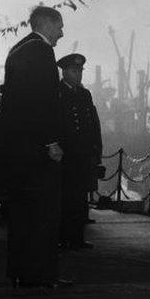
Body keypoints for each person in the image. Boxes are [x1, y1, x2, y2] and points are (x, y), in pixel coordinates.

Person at [0, 6, 70, 289]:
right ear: (47, 24)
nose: (62, 33)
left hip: (17, 149)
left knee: (22, 216)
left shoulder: (19, 49)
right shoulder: (41, 53)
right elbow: (43, 103)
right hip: (36, 150)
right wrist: (52, 142)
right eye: (59, 26)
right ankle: (42, 274)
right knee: (44, 214)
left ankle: (21, 272)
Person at [55, 53, 103, 250]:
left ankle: (76, 237)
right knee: (64, 198)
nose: (78, 75)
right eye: (74, 71)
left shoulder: (85, 95)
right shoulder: (56, 93)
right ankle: (62, 237)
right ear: (65, 72)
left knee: (80, 198)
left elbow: (92, 125)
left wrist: (95, 150)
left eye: (80, 71)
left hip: (82, 155)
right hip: (66, 155)